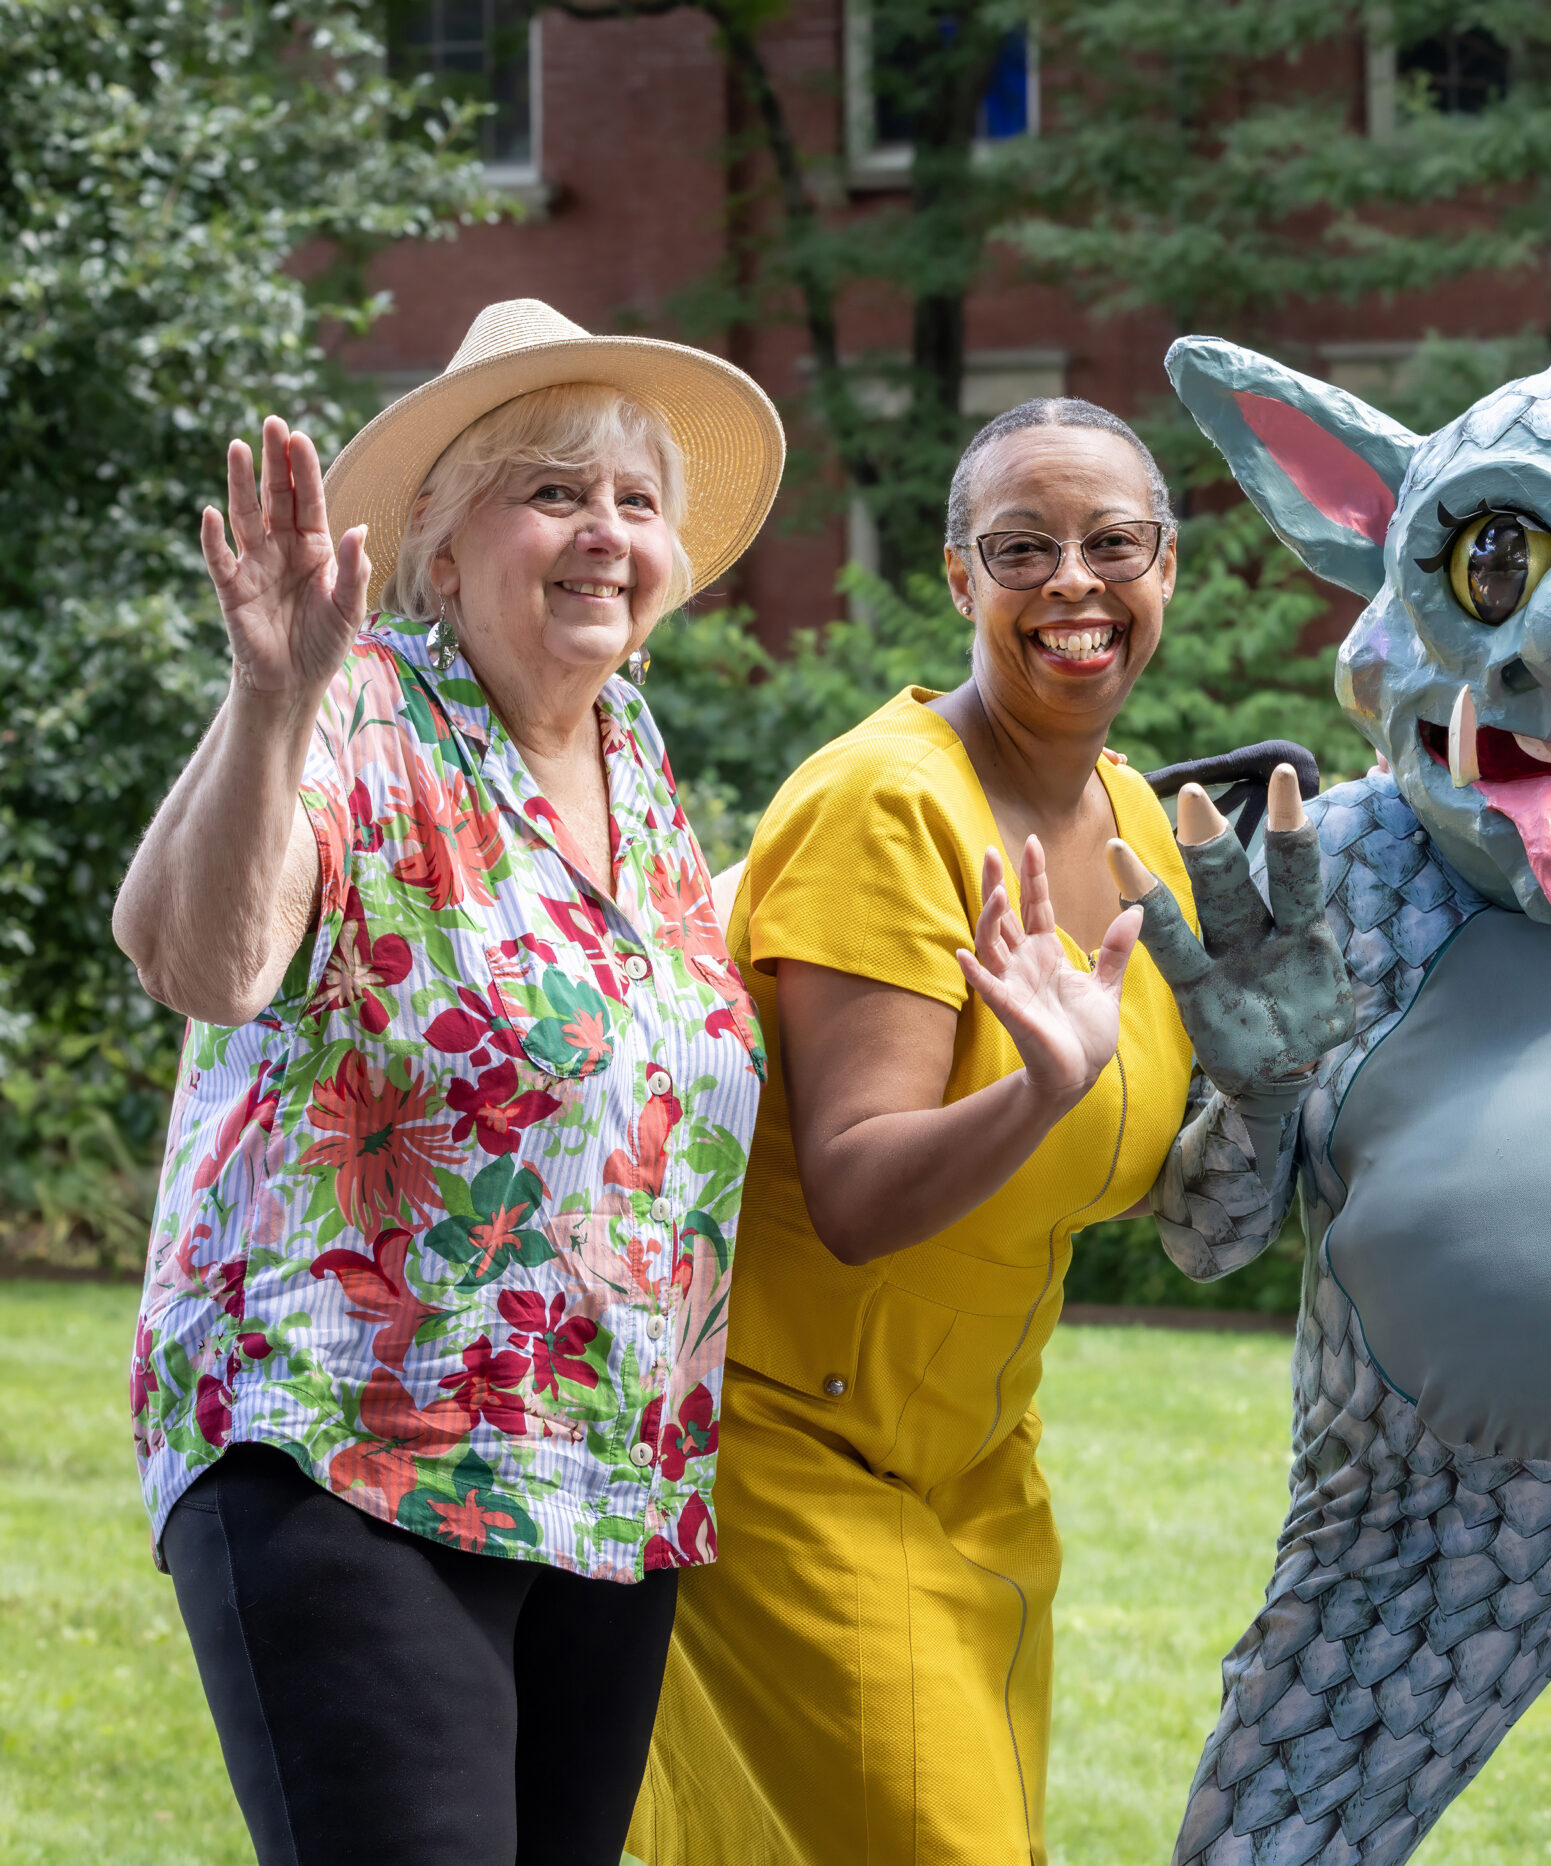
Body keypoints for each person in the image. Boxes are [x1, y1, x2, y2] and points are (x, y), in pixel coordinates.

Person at [630, 396, 1343, 1866]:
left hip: (980, 1474)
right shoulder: (888, 806)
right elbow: (853, 1190)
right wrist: (1037, 1089)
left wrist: (1266, 1092)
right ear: (960, 580)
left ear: (1165, 573)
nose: (1072, 583)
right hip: (794, 1456)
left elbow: (1184, 1228)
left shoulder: (1143, 826)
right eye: (1022, 547)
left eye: (1113, 543)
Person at [115, 298, 783, 1865]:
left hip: (602, 1487)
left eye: (633, 499)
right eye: (552, 490)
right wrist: (269, 699)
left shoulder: (637, 756)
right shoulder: (359, 711)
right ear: (437, 534)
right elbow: (198, 961)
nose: (604, 533)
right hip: (346, 1451)